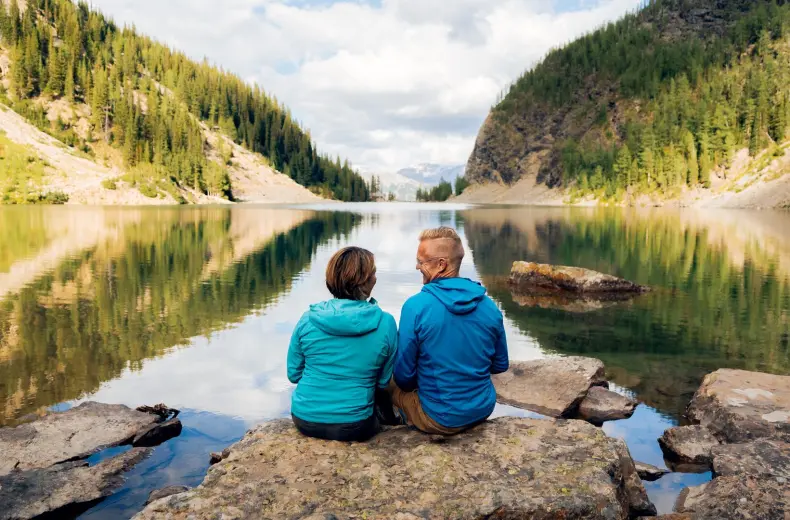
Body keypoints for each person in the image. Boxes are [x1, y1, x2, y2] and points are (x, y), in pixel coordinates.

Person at [392, 227, 509, 435]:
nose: (417, 266)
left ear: (441, 265)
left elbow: (404, 377)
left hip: (439, 418)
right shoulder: (490, 306)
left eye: (421, 261)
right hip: (483, 410)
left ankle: (397, 420)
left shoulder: (416, 306)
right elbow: (500, 365)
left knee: (387, 383)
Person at [287, 247, 397, 442]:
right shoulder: (385, 323)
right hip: (356, 425)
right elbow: (383, 382)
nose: (376, 278)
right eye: (374, 273)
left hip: (304, 419)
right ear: (366, 281)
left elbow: (294, 374)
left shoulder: (308, 319)